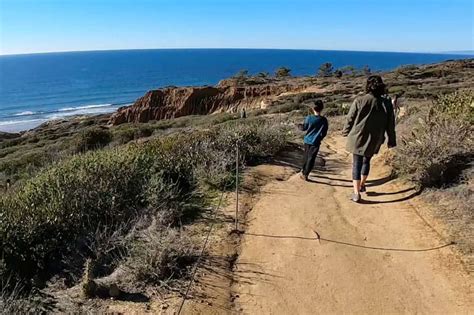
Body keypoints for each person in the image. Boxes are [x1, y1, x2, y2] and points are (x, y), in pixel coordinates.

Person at [342, 75, 396, 202]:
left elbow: (350, 118)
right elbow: (390, 123)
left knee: (357, 163)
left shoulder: (359, 100)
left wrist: (345, 131)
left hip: (358, 136)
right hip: (376, 138)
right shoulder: (386, 103)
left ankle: (356, 193)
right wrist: (391, 140)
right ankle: (362, 184)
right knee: (366, 161)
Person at [300, 100, 329, 181]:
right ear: (322, 108)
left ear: (313, 109)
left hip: (307, 140)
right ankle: (306, 173)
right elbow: (324, 132)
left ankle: (303, 171)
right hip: (316, 141)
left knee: (306, 156)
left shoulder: (309, 118)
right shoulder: (324, 120)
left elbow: (304, 128)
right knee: (311, 158)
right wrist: (320, 138)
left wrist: (298, 125)